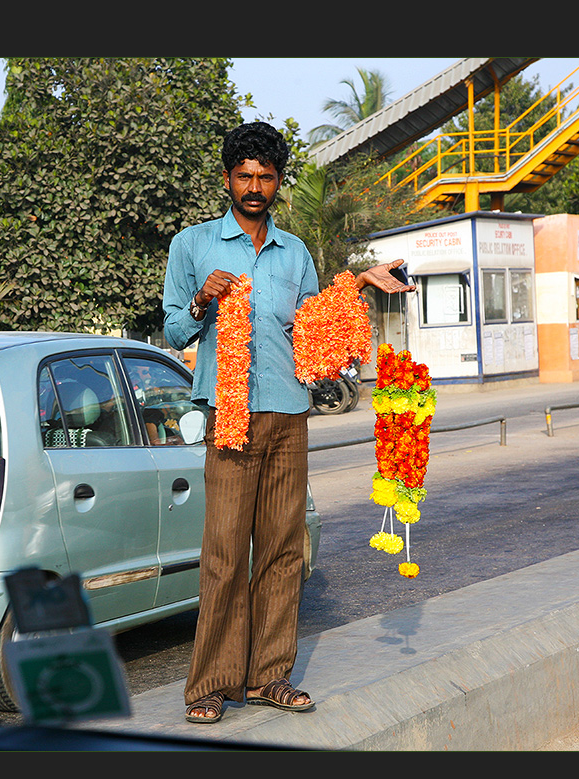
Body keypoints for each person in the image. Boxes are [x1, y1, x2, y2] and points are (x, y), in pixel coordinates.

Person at [162, 121, 414, 724]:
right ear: (227, 179)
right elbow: (174, 330)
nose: (254, 186)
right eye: (244, 175)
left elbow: (312, 325)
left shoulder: (294, 251)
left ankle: (271, 676)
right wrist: (202, 301)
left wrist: (357, 283)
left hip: (288, 414)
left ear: (277, 184)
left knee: (281, 551)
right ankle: (211, 685)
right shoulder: (193, 246)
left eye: (266, 177)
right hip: (230, 418)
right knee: (224, 553)